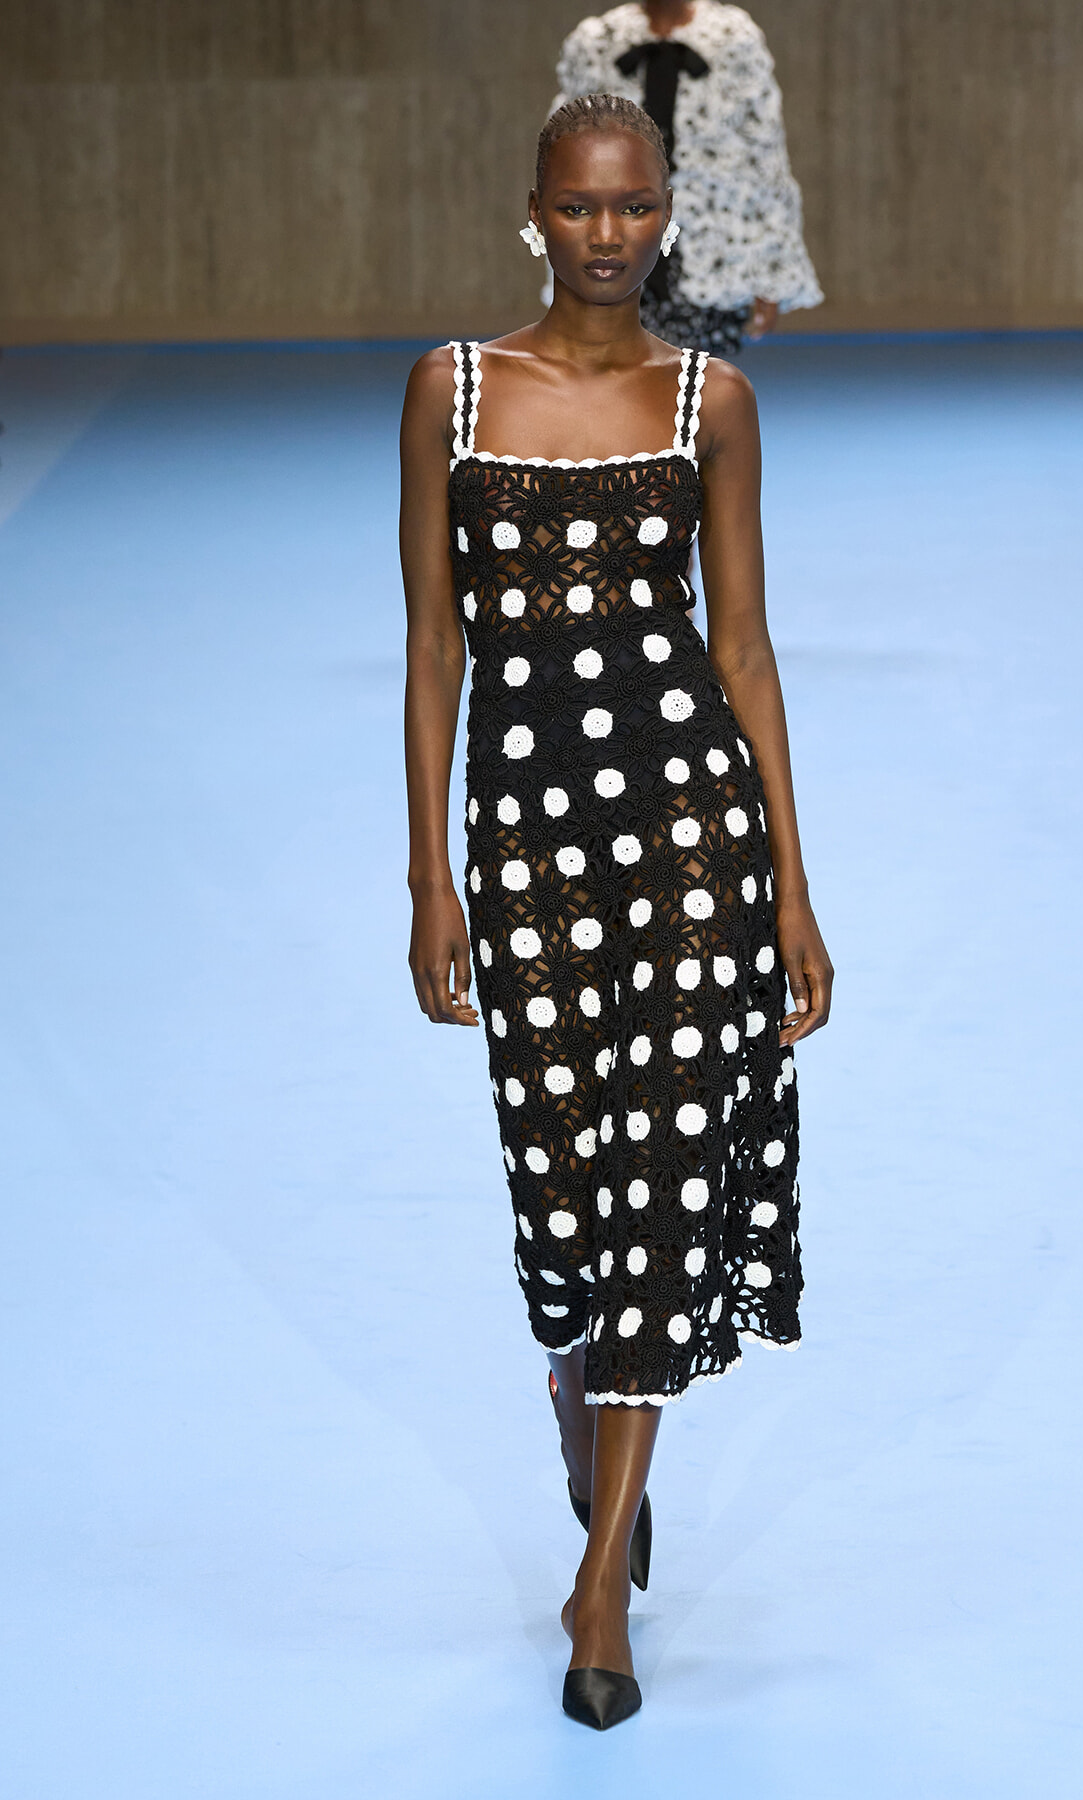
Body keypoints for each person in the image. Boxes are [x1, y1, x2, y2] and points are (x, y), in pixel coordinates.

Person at [400, 94, 832, 1730]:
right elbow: (437, 654)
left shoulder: (710, 400)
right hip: (526, 857)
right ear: (534, 212)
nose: (607, 236)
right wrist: (429, 871)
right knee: (563, 1204)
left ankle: (599, 1595)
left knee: (659, 1181)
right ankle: (594, 1413)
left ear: (668, 215)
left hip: (689, 845)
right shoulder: (446, 395)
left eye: (634, 208)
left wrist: (791, 882)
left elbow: (744, 654)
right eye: (580, 209)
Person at [551, 0, 823, 355]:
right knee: (613, 380)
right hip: (614, 246)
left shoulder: (733, 38)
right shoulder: (595, 41)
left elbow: (765, 162)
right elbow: (563, 158)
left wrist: (769, 274)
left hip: (712, 252)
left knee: (694, 386)